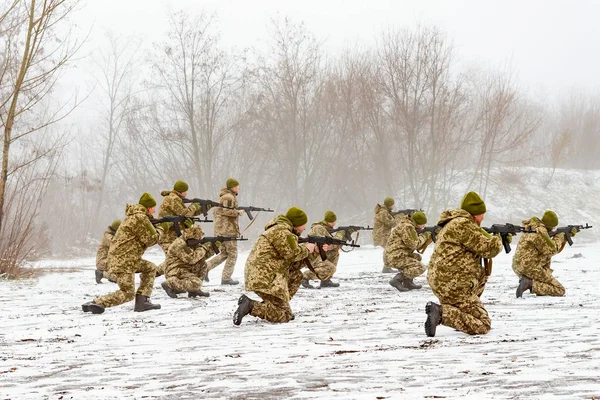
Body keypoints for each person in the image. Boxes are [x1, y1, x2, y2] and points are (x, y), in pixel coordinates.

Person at [425, 191, 503, 337]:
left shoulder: (454, 223)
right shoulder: (464, 224)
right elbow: (489, 249)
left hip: (444, 281)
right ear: (474, 214)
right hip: (453, 284)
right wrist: (499, 239)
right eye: (481, 214)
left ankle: (458, 317)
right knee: (483, 324)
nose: (483, 217)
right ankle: (441, 314)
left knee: (480, 277)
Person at [233, 207, 318, 325]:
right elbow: (292, 254)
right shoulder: (281, 231)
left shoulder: (282, 230)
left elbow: (294, 265)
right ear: (296, 223)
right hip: (264, 275)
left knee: (296, 275)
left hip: (265, 273)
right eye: (303, 224)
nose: (304, 228)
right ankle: (251, 306)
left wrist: (315, 252)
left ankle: (276, 307)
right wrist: (307, 249)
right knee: (285, 315)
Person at [82, 193, 163, 314]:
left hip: (126, 259)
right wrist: (162, 228)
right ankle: (97, 302)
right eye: (153, 208)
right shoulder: (140, 218)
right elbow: (151, 240)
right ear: (148, 208)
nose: (155, 211)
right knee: (127, 293)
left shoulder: (134, 217)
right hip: (125, 260)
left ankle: (143, 301)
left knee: (150, 268)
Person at [512, 210, 573, 298]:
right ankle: (529, 283)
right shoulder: (540, 233)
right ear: (549, 226)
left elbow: (548, 251)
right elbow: (552, 250)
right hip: (529, 268)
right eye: (553, 227)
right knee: (559, 290)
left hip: (520, 265)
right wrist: (559, 236)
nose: (553, 229)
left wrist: (565, 238)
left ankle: (537, 287)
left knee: (546, 260)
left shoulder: (532, 228)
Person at [156, 180, 202, 276]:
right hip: (166, 235)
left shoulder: (175, 198)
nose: (186, 193)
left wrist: (202, 208)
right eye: (185, 191)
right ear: (181, 191)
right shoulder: (173, 199)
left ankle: (153, 273)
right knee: (173, 259)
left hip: (171, 234)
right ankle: (169, 282)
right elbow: (185, 214)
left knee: (174, 258)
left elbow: (186, 214)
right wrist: (194, 206)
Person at [205, 178, 244, 285]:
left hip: (223, 230)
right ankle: (226, 278)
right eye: (236, 186)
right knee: (233, 254)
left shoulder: (225, 196)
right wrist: (238, 212)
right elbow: (226, 211)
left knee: (225, 253)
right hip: (227, 231)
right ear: (232, 187)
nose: (238, 188)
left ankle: (206, 268)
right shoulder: (228, 197)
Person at [161, 225, 216, 299]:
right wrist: (204, 247)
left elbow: (201, 257)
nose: (200, 238)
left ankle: (194, 290)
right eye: (198, 236)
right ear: (192, 235)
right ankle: (170, 283)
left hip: (184, 268)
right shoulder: (180, 244)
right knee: (197, 283)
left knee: (202, 264)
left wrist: (213, 249)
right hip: (175, 270)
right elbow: (191, 259)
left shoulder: (191, 242)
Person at [385, 211, 430, 292]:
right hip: (395, 257)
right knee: (421, 267)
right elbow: (414, 245)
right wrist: (424, 236)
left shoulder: (407, 224)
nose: (423, 226)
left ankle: (408, 283)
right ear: (416, 223)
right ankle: (397, 279)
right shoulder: (407, 227)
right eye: (422, 224)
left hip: (395, 255)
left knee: (417, 257)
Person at [301, 210, 344, 289]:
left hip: (318, 253)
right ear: (327, 221)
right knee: (330, 268)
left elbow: (330, 246)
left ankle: (326, 280)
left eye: (334, 221)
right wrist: (340, 235)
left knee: (335, 253)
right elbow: (328, 244)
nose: (334, 223)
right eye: (332, 221)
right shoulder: (319, 228)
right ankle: (304, 277)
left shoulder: (325, 229)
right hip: (312, 254)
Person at [373, 197, 398, 273]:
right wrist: (399, 218)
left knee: (389, 249)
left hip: (383, 234)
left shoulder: (384, 211)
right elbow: (391, 223)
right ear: (390, 204)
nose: (394, 206)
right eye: (393, 204)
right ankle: (386, 268)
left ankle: (387, 267)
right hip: (381, 235)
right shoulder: (383, 212)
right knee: (389, 249)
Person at [95, 219, 121, 284]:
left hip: (108, 260)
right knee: (121, 279)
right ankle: (101, 274)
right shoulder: (107, 236)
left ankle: (111, 276)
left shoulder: (113, 235)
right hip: (102, 262)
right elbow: (115, 243)